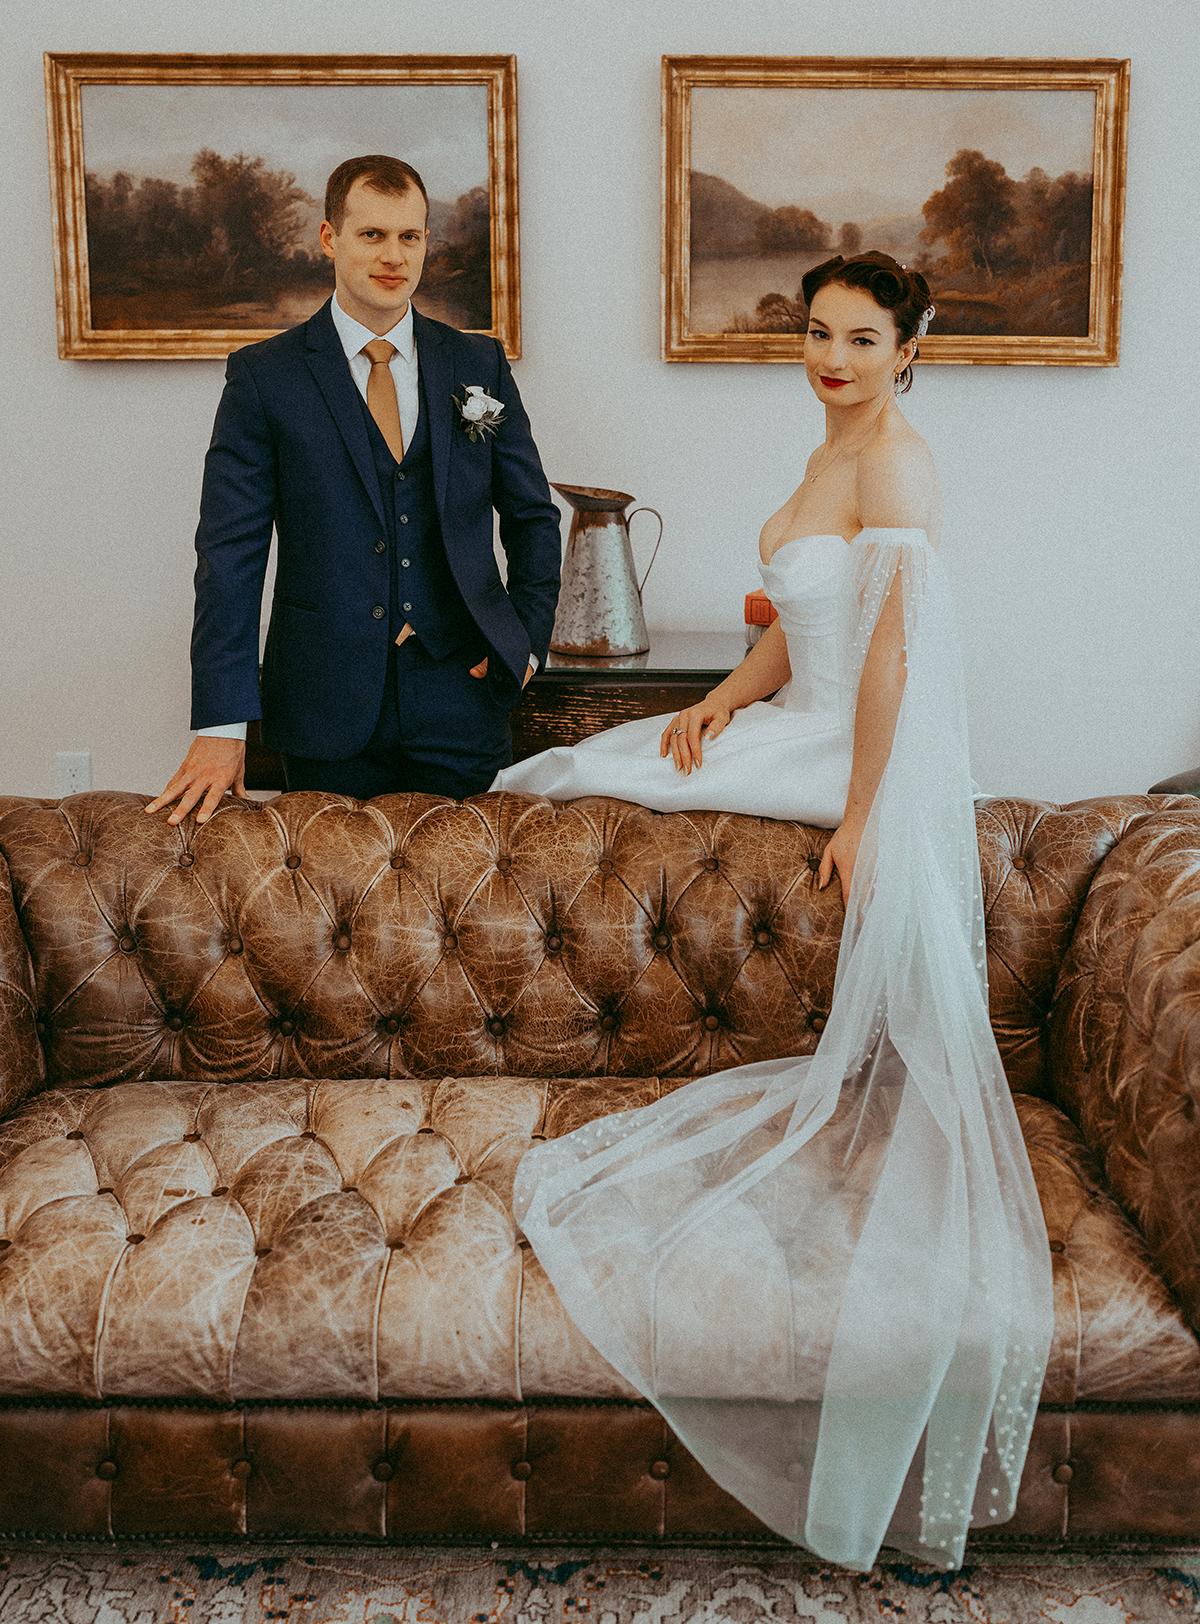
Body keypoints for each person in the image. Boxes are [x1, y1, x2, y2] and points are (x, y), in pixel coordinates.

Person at [498, 252, 1053, 1571]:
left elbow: (894, 655)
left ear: (909, 353)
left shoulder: (896, 465)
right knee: (573, 769)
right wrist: (722, 700)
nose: (836, 356)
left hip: (866, 744)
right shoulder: (822, 457)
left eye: (864, 339)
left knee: (572, 768)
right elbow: (806, 626)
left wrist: (863, 811)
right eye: (819, 332)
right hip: (800, 714)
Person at [148, 154, 560, 822]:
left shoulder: (476, 363)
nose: (394, 255)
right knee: (332, 913)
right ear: (330, 239)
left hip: (462, 699)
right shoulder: (265, 378)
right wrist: (222, 728)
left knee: (464, 911)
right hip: (322, 706)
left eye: (410, 236)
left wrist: (523, 647)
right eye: (372, 235)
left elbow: (534, 519)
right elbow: (229, 555)